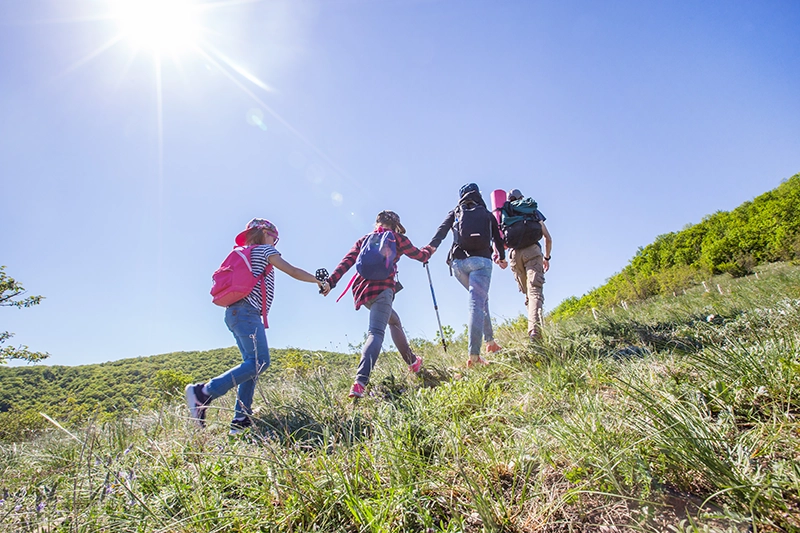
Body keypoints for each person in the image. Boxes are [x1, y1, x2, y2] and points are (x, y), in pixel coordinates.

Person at [186, 218, 329, 434]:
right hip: (246, 313)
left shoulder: (249, 252)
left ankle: (241, 419)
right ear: (264, 233)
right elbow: (292, 271)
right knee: (260, 362)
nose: (275, 242)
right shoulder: (263, 251)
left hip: (235, 313)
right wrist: (318, 281)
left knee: (251, 366)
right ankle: (204, 392)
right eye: (274, 237)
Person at [325, 210, 432, 398]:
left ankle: (413, 362)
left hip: (363, 292)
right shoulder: (398, 239)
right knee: (375, 332)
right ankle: (360, 382)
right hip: (383, 289)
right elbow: (420, 256)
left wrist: (330, 283)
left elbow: (346, 262)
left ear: (377, 222)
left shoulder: (364, 240)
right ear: (396, 226)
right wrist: (429, 250)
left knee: (394, 321)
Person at [427, 183, 506, 367]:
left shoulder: (456, 212)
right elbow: (498, 239)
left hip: (458, 264)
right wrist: (501, 258)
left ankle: (491, 343)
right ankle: (475, 357)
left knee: (481, 299)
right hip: (481, 263)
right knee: (477, 303)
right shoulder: (487, 214)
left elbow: (442, 230)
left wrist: (431, 248)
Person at [503, 188, 552, 340]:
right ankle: (535, 332)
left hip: (514, 255)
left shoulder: (505, 211)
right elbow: (547, 238)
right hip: (532, 251)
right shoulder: (531, 210)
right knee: (535, 292)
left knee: (528, 295)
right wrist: (547, 257)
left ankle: (536, 329)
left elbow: (502, 240)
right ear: (521, 197)